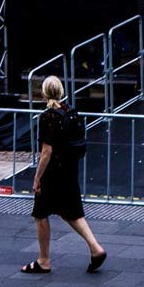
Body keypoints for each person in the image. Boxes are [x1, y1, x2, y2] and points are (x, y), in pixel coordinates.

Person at [22, 76, 106, 274]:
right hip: (70, 169)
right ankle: (95, 248)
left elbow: (46, 152)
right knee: (72, 211)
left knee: (41, 214)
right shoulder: (72, 113)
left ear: (44, 93)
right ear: (60, 91)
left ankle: (44, 260)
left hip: (53, 171)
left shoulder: (48, 117)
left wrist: (37, 177)